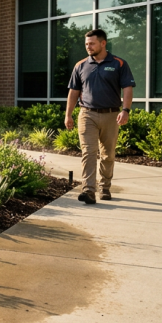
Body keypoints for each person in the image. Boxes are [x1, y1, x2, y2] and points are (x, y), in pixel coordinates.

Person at [65, 29, 136, 204]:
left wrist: (125, 110)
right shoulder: (80, 65)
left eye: (92, 43)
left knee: (108, 154)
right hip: (87, 114)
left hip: (111, 115)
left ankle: (104, 187)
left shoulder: (119, 64)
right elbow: (73, 92)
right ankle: (88, 190)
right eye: (86, 44)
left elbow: (127, 88)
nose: (88, 47)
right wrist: (68, 115)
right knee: (88, 152)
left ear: (103, 43)